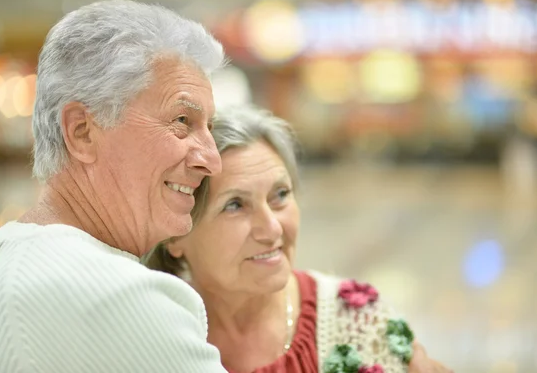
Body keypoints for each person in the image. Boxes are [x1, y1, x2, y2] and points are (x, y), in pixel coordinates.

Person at [0, 0, 228, 372]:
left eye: (210, 127)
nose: (212, 160)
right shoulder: (114, 295)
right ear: (82, 132)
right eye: (181, 120)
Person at [144, 105, 452, 373]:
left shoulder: (358, 322)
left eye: (280, 195)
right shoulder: (151, 337)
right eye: (235, 205)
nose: (273, 229)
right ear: (174, 233)